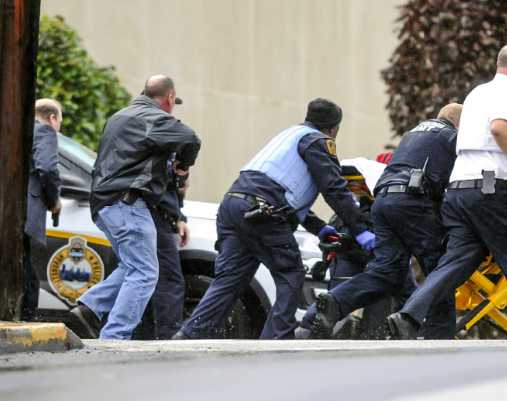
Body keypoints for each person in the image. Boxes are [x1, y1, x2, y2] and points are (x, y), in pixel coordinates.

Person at [387, 43, 507, 340]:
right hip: (491, 190)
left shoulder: (476, 94)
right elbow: (500, 128)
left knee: (457, 262)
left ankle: (409, 315)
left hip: (459, 192)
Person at [174, 98, 375, 340]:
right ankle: (276, 341)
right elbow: (333, 187)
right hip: (262, 213)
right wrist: (360, 229)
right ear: (334, 128)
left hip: (233, 206)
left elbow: (282, 189)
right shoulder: (319, 141)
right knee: (291, 273)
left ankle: (190, 335)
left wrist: (319, 227)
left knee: (229, 280)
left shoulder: (288, 136)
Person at [310, 103, 463, 340]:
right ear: (459, 123)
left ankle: (337, 301)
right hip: (412, 201)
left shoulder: (414, 134)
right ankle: (438, 340)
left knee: (387, 272)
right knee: (440, 270)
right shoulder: (451, 136)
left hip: (381, 202)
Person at [69, 75, 201, 340]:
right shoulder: (154, 117)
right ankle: (115, 336)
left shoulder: (118, 117)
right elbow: (191, 138)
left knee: (131, 267)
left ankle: (91, 307)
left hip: (105, 205)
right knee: (145, 271)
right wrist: (182, 165)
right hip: (127, 204)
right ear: (170, 99)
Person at [133, 159, 190, 340]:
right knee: (168, 281)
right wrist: (182, 171)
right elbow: (162, 181)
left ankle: (144, 339)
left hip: (155, 216)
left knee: (147, 281)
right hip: (154, 217)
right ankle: (168, 340)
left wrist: (178, 217)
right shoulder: (161, 138)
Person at [22, 99, 63, 321]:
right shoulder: (45, 131)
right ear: (52, 118)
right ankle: (23, 327)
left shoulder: (17, 129)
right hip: (22, 214)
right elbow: (47, 168)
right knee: (29, 282)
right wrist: (54, 200)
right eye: (60, 123)